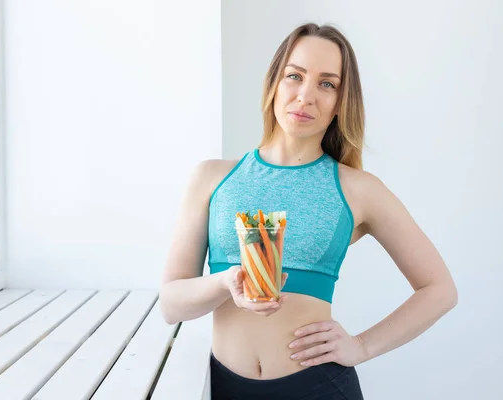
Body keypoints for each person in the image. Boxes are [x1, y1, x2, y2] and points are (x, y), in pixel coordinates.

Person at [159, 22, 458, 400]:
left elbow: (440, 289)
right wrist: (225, 282)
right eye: (294, 76)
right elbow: (172, 304)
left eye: (327, 84)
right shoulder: (211, 178)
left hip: (320, 388)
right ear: (273, 84)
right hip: (223, 388)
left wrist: (362, 346)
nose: (305, 96)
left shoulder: (358, 189)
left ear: (340, 102)